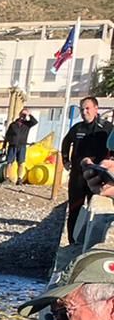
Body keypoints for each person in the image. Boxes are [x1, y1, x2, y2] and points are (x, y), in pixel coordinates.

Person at [61, 95, 109, 239]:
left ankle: (91, 241)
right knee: (75, 209)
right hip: (78, 176)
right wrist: (65, 160)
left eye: (87, 108)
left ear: (96, 109)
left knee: (95, 209)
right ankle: (72, 240)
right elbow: (66, 142)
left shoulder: (106, 128)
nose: (84, 112)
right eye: (82, 109)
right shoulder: (77, 128)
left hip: (97, 176)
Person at [0, 106, 37, 184]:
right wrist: (4, 146)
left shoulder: (27, 124)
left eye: (24, 114)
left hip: (22, 145)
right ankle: (7, 178)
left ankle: (19, 179)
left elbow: (35, 122)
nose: (23, 116)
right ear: (19, 114)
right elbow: (7, 136)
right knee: (9, 162)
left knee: (21, 162)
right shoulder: (13, 124)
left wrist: (29, 114)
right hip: (12, 145)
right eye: (22, 114)